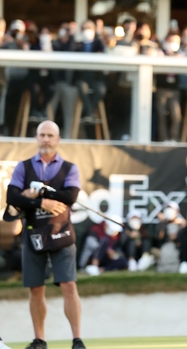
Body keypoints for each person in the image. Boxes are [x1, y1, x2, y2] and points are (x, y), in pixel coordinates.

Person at [3, 121, 86, 349]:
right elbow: (12, 198)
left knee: (69, 285)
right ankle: (39, 339)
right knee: (36, 288)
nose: (46, 139)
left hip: (61, 234)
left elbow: (70, 197)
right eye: (42, 135)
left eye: (50, 135)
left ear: (58, 139)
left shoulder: (69, 168)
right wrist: (41, 202)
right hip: (33, 234)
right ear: (36, 138)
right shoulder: (24, 166)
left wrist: (35, 193)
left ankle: (77, 339)